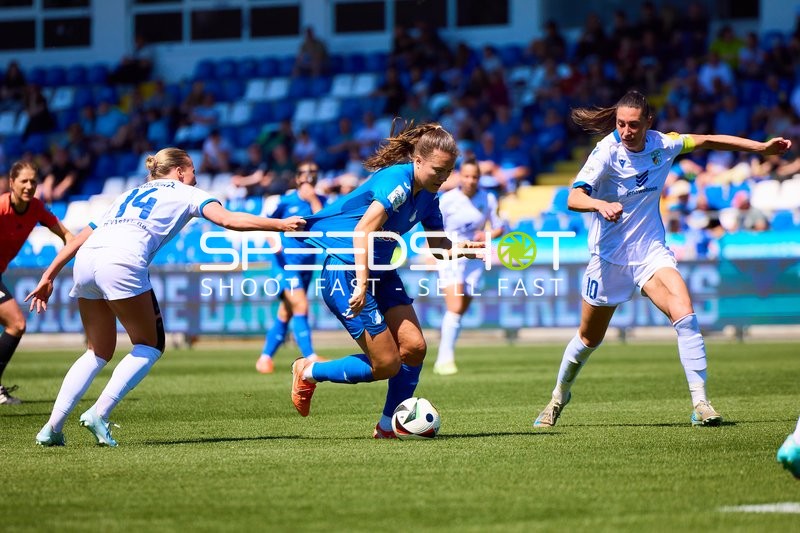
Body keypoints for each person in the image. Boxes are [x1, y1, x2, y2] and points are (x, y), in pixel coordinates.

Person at [532, 91, 791, 429]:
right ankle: (558, 397)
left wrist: (760, 148)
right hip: (609, 259)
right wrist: (599, 204)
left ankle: (701, 402)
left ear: (648, 123)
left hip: (651, 252)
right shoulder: (606, 153)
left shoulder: (663, 144)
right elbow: (573, 196)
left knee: (685, 312)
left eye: (633, 125)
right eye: (621, 123)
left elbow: (709, 140)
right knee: (587, 339)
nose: (625, 131)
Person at [27, 147, 305, 447]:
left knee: (97, 351)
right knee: (150, 344)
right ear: (181, 171)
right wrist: (280, 225)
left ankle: (52, 428)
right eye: (194, 171)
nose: (196, 178)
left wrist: (49, 274)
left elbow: (83, 234)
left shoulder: (129, 194)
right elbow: (228, 220)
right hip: (122, 260)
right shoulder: (188, 193)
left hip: (86, 261)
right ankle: (100, 413)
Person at [288, 122, 484, 438]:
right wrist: (363, 284)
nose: (443, 177)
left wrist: (466, 249)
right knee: (387, 364)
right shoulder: (398, 181)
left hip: (379, 270)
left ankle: (387, 427)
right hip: (346, 271)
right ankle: (308, 370)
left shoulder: (429, 197)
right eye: (438, 169)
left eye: (448, 171)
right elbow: (363, 230)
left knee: (415, 348)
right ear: (417, 161)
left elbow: (438, 247)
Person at [0, 161, 73, 405]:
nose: (29, 186)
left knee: (16, 325)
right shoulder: (1, 207)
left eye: (33, 181)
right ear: (11, 183)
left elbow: (67, 236)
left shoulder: (36, 208)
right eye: (24, 181)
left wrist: (83, 253)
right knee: (16, 323)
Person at [433, 158, 504, 376]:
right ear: (459, 176)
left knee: (460, 309)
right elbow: (432, 227)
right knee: (454, 307)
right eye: (466, 176)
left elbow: (500, 227)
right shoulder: (447, 200)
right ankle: (444, 359)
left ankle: (446, 349)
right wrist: (430, 250)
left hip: (475, 256)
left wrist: (488, 234)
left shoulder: (488, 198)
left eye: (475, 177)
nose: (470, 180)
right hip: (451, 254)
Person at [256, 162, 327, 374]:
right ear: (297, 179)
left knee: (286, 312)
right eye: (304, 173)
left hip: (307, 263)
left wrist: (313, 198)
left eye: (313, 172)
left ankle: (264, 358)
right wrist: (273, 241)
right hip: (286, 264)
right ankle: (310, 357)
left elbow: (322, 225)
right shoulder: (286, 201)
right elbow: (266, 221)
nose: (308, 177)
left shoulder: (321, 201)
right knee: (301, 306)